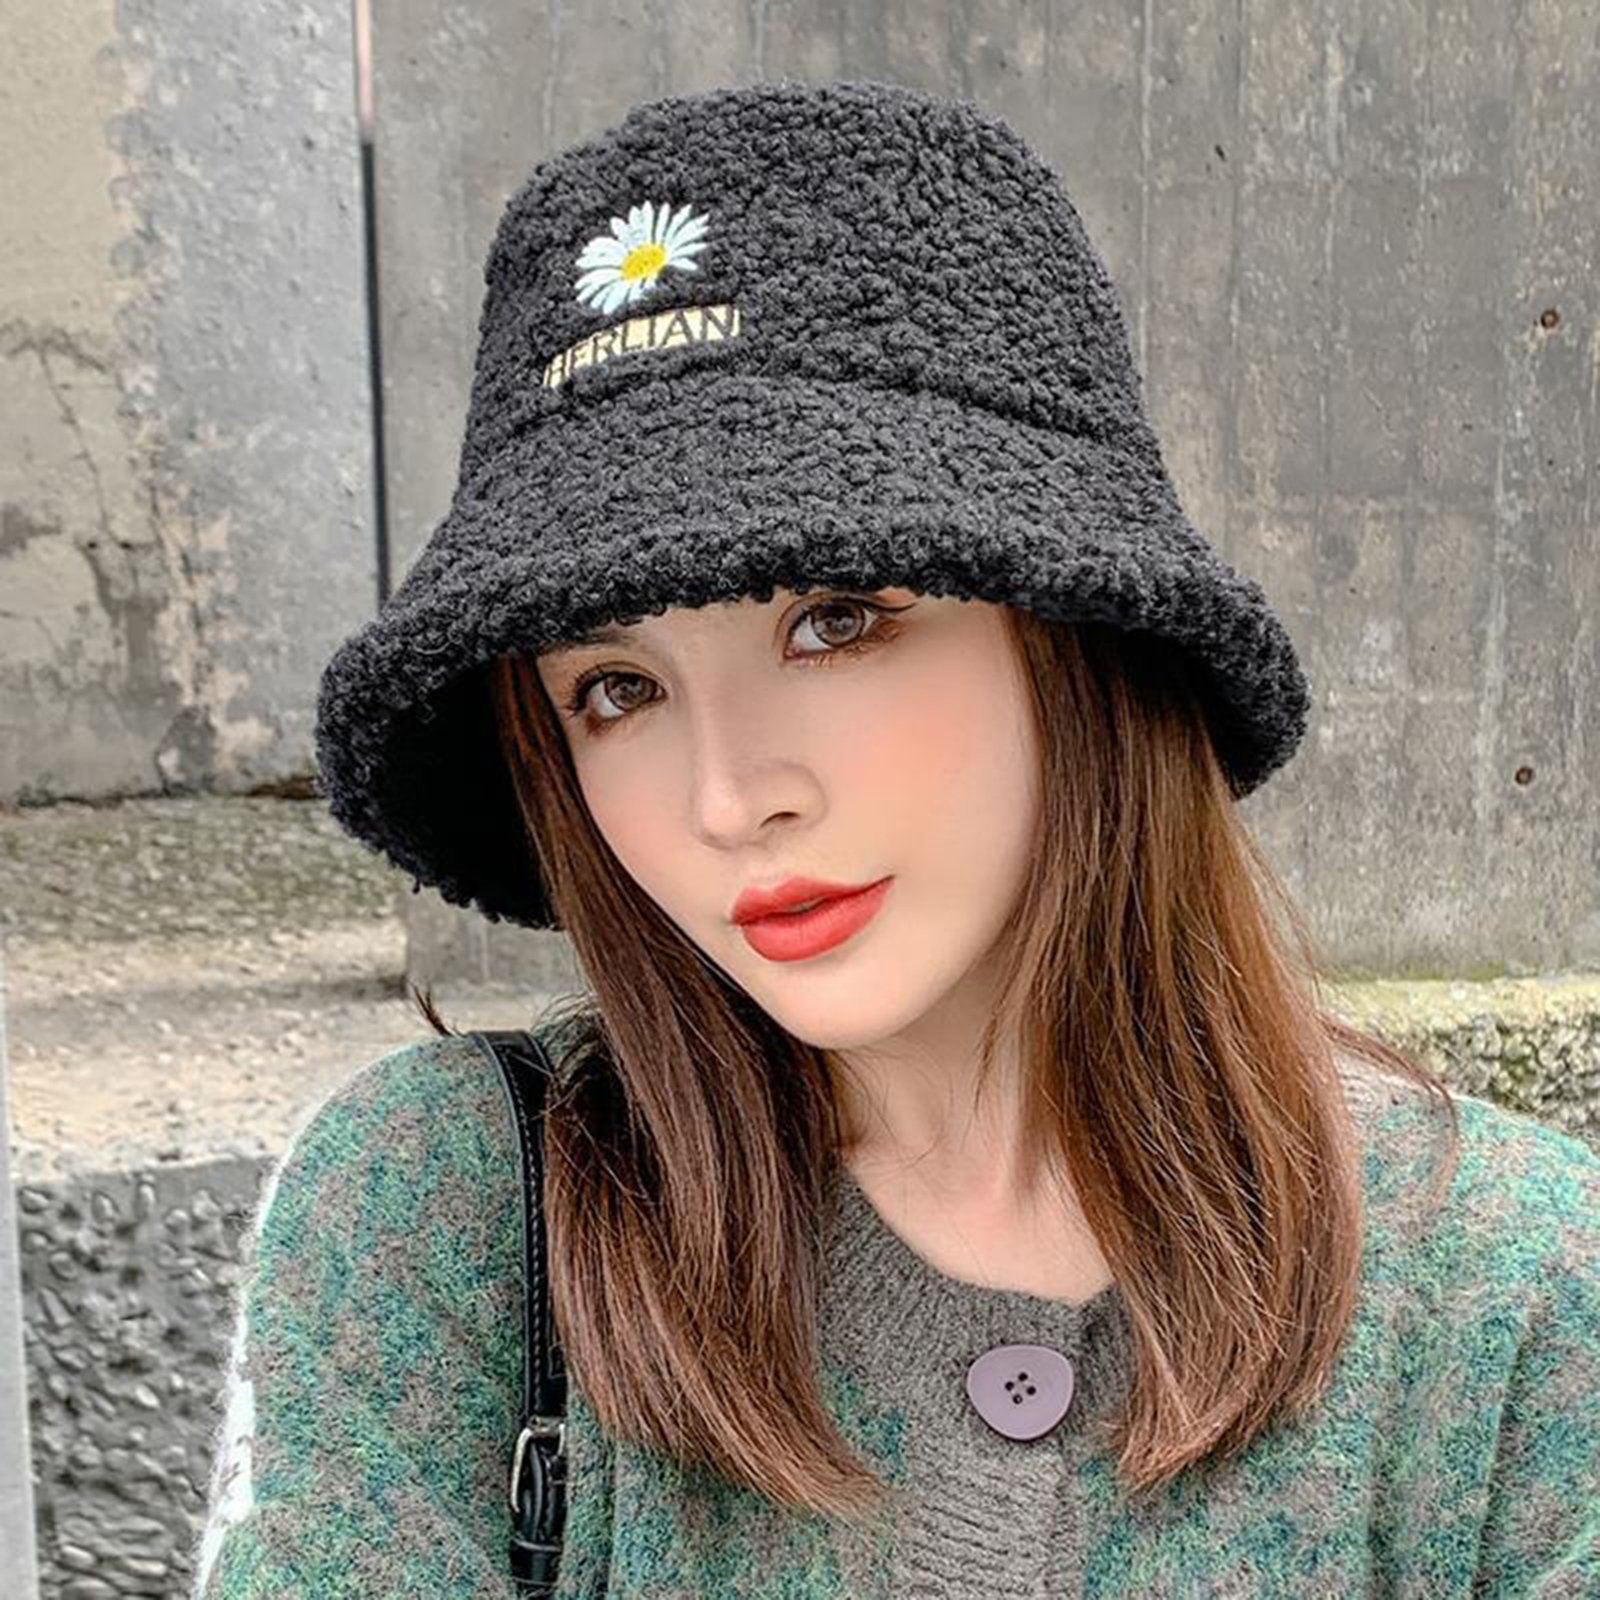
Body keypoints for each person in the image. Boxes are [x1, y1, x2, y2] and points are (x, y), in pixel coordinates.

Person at [191, 78, 1600, 1599]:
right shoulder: (450, 1219)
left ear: (1076, 637)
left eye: (836, 620)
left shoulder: (1515, 1305)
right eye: (616, 688)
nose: (729, 798)